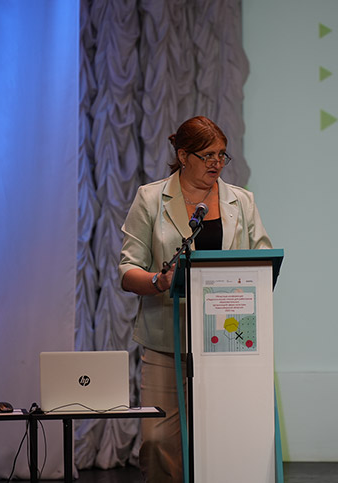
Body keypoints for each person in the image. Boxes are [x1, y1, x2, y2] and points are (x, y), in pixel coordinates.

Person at [118, 116, 271, 482]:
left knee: (223, 441)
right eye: (207, 155)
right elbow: (127, 270)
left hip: (227, 340)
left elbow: (263, 260)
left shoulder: (241, 201)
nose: (217, 163)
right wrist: (158, 281)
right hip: (166, 340)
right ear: (183, 156)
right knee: (157, 442)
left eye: (222, 155)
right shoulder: (151, 199)